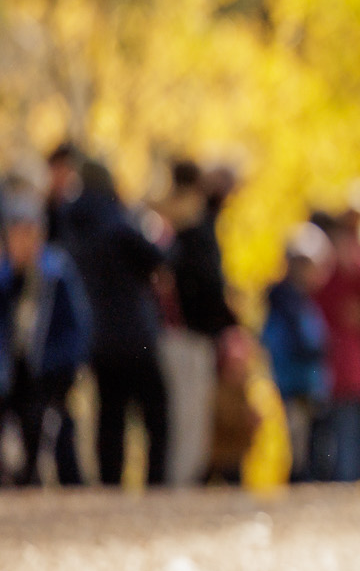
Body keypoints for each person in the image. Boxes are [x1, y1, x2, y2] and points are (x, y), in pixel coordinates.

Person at [64, 160, 172, 487]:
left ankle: (110, 483)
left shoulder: (71, 221)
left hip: (96, 334)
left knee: (110, 414)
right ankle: (155, 483)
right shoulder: (115, 220)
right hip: (134, 333)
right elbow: (156, 259)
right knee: (155, 411)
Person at [0, 188, 94, 487]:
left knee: (51, 432)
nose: (22, 242)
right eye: (16, 234)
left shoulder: (56, 274)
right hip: (10, 372)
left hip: (47, 373)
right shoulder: (4, 279)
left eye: (29, 233)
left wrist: (61, 366)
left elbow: (77, 329)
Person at [162, 160, 239, 487]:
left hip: (186, 336)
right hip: (187, 337)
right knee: (187, 421)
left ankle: (182, 485)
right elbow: (208, 288)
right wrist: (231, 320)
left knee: (189, 422)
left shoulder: (180, 234)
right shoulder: (190, 234)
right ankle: (179, 489)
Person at [313, 209, 360, 482]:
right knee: (329, 442)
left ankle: (348, 486)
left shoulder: (358, 268)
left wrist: (358, 267)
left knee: (350, 439)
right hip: (325, 369)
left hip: (351, 370)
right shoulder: (321, 270)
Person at [261, 224, 331, 479]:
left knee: (312, 448)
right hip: (293, 385)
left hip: (308, 386)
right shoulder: (283, 300)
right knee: (297, 449)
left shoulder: (304, 300)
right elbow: (301, 342)